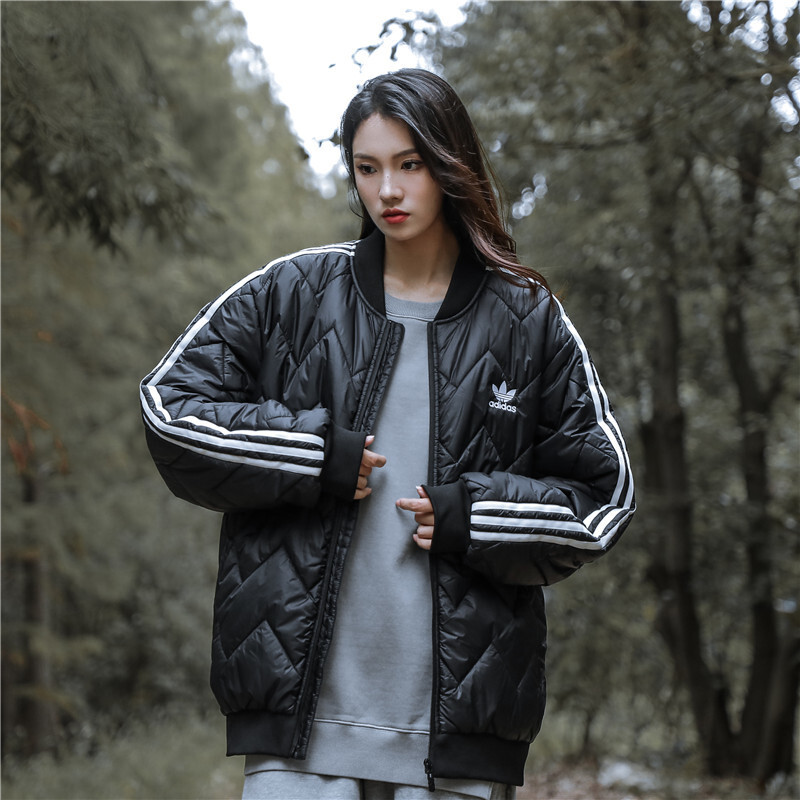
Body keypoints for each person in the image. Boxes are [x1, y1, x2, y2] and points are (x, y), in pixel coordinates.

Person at [139, 68, 635, 800]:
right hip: (298, 728)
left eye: (410, 165)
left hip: (457, 736)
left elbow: (603, 496)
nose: (388, 192)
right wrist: (311, 456)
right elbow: (168, 408)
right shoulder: (293, 293)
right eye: (367, 169)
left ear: (452, 164)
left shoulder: (526, 319)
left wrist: (477, 515)